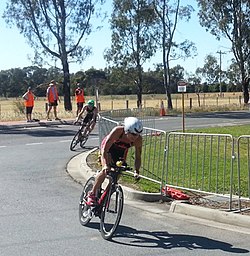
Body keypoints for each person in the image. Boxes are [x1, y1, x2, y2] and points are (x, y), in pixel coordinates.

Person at [87, 117, 143, 205]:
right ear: (127, 131)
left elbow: (138, 157)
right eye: (133, 134)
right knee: (105, 171)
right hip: (108, 148)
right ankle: (92, 194)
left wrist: (137, 171)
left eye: (137, 134)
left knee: (116, 177)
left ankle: (106, 197)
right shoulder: (117, 131)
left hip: (121, 151)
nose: (135, 137)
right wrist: (105, 165)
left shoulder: (138, 140)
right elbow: (105, 150)